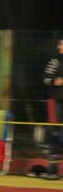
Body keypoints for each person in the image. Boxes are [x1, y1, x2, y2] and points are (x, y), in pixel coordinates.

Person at [42, 39, 63, 180]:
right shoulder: (54, 61)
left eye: (62, 44)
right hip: (55, 101)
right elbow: (44, 78)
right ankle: (52, 167)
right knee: (54, 133)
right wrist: (53, 81)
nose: (59, 47)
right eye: (59, 44)